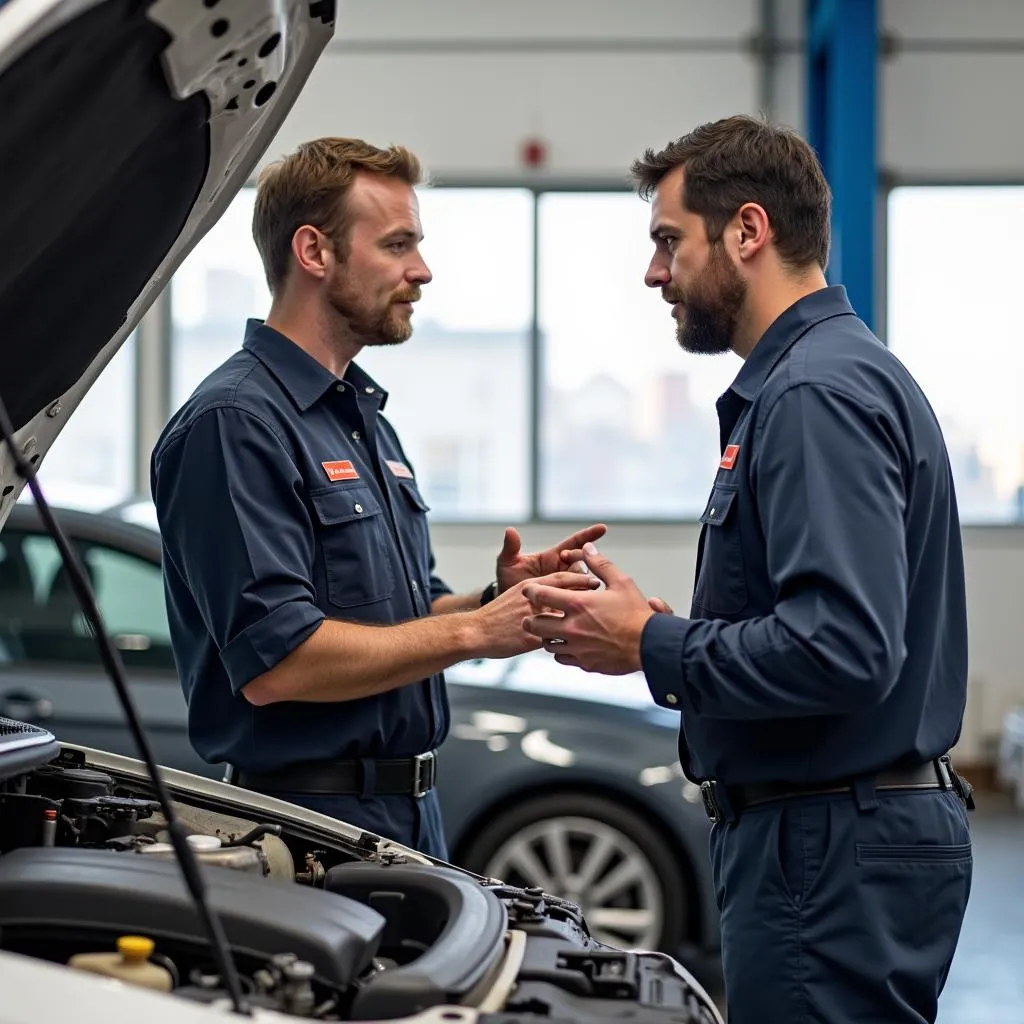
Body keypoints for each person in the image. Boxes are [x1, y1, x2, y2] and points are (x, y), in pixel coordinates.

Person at [520, 115, 974, 1024]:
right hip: (834, 835)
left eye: (667, 241)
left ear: (748, 231)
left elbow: (844, 647)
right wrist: (661, 632)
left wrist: (652, 644)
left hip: (827, 845)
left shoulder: (813, 394)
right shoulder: (825, 377)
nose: (654, 274)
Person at [151, 137, 603, 860]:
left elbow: (407, 613)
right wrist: (475, 635)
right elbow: (279, 664)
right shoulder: (235, 424)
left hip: (408, 817)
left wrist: (493, 599)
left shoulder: (362, 420)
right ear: (314, 251)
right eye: (397, 245)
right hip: (306, 829)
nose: (421, 271)